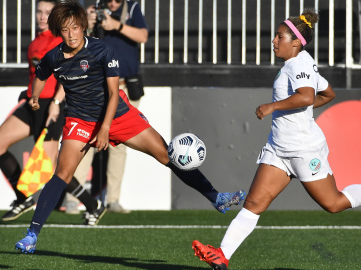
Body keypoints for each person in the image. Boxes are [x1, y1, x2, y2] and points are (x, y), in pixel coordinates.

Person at [14, 0, 245, 254]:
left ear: (84, 27)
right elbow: (40, 75)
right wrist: (35, 97)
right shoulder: (54, 57)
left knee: (166, 154)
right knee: (63, 173)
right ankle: (32, 234)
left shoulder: (102, 50)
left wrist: (104, 130)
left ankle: (215, 197)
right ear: (59, 31)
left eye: (76, 28)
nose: (71, 34)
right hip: (80, 119)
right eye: (66, 29)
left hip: (118, 115)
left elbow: (114, 94)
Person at [192, 9, 361, 270]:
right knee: (254, 203)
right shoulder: (300, 62)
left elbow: (308, 96)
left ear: (295, 42)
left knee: (333, 203)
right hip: (279, 149)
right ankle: (222, 255)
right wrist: (298, 109)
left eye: (279, 37)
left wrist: (273, 107)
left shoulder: (298, 63)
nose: (274, 41)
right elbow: (327, 93)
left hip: (303, 150)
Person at [0, 0, 107, 224]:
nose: (43, 16)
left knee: (56, 167)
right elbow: (36, 76)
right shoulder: (35, 43)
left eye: (47, 12)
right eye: (39, 12)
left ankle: (93, 205)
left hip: (53, 106)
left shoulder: (61, 39)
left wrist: (56, 101)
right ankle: (23, 197)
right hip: (33, 105)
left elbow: (69, 73)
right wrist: (28, 95)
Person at [64, 0, 149, 214]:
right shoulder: (91, 9)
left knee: (120, 145)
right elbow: (74, 42)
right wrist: (89, 23)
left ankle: (113, 199)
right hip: (96, 85)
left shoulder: (131, 8)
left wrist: (116, 25)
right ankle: (73, 198)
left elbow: (143, 36)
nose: (112, 3)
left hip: (126, 85)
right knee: (86, 137)